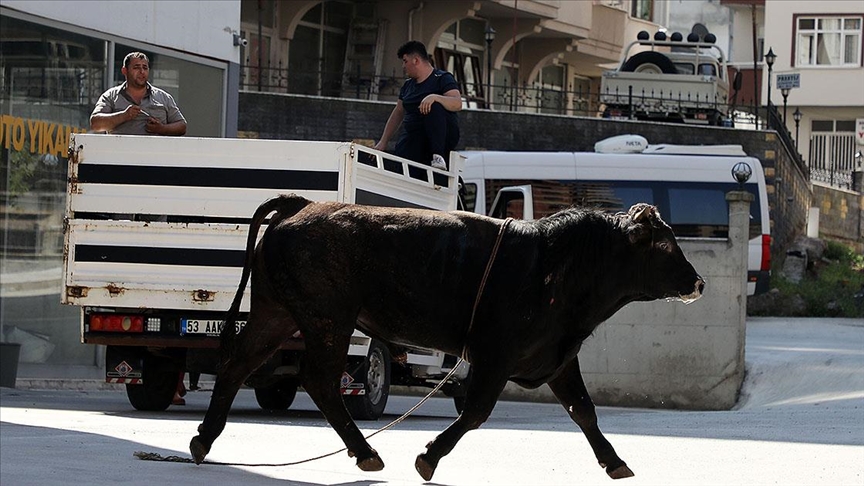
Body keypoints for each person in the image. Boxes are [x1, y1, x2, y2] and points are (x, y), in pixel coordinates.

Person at [374, 41, 461, 169]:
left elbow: (457, 103)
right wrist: (383, 142)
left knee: (434, 105)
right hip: (414, 136)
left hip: (438, 134)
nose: (403, 66)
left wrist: (434, 97)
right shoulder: (408, 85)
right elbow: (398, 112)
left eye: (405, 61)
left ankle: (438, 155)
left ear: (416, 60)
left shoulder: (442, 78)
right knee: (400, 157)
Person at [90, 51, 187, 136]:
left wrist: (161, 129)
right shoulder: (110, 96)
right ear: (125, 71)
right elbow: (95, 123)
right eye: (136, 67)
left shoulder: (163, 97)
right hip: (120, 155)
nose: (141, 72)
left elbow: (182, 126)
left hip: (155, 155)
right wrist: (124, 116)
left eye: (145, 68)